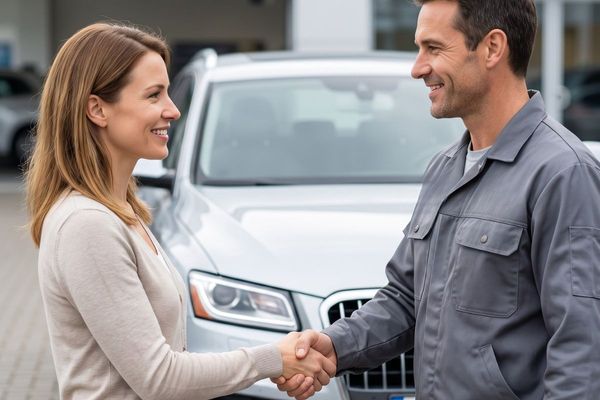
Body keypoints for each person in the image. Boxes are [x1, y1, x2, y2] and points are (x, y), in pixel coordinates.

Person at [274, 0, 600, 399]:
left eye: (434, 48)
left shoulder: (563, 173)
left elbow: (583, 348)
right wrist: (336, 344)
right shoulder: (446, 168)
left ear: (493, 48)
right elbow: (407, 299)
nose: (417, 68)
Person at [25, 22, 333, 400]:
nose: (172, 110)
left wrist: (277, 362)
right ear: (97, 109)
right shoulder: (87, 225)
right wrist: (275, 359)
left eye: (168, 94)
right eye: (154, 95)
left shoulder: (121, 212)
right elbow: (159, 378)